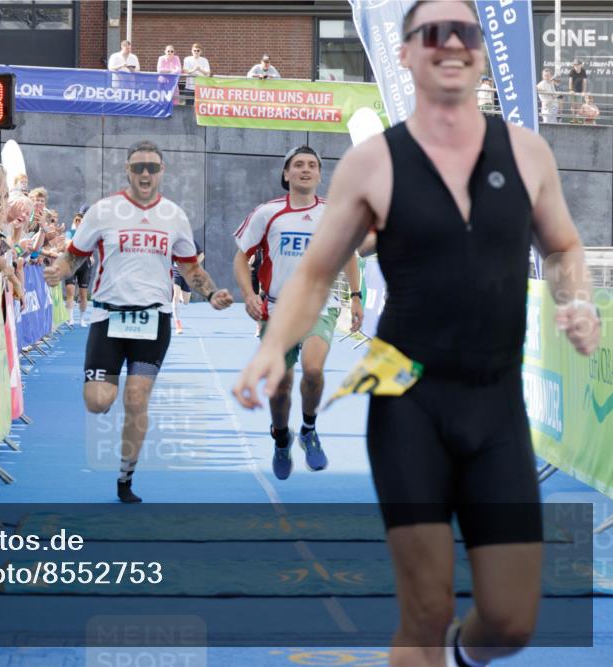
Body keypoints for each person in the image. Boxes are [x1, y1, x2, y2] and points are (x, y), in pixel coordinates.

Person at [233, 3, 601, 666]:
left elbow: (563, 246)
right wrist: (269, 344)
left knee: (512, 622)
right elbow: (316, 273)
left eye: (466, 32)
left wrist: (576, 300)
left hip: (497, 406)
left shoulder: (527, 153)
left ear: (481, 53)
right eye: (433, 33)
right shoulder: (373, 163)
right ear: (405, 54)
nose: (451, 43)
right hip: (408, 400)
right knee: (426, 609)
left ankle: (461, 653)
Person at [44, 140, 234, 503]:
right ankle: (106, 385)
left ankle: (125, 478)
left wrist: (211, 294)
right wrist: (59, 270)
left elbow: (190, 268)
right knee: (98, 401)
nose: (145, 173)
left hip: (153, 318)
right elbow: (75, 255)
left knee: (136, 398)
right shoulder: (104, 211)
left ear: (162, 172)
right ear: (127, 171)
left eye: (152, 167)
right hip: (108, 316)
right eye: (138, 167)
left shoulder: (174, 216)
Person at [233, 145, 362, 479]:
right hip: (277, 310)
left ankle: (308, 429)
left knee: (313, 370)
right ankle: (281, 439)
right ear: (286, 173)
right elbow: (241, 257)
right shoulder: (267, 213)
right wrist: (248, 294)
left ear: (319, 174)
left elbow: (349, 255)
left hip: (321, 305)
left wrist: (356, 296)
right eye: (299, 165)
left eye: (312, 165)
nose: (306, 169)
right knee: (280, 386)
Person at [64, 205, 92, 327]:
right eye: (76, 220)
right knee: (70, 291)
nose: (78, 222)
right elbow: (68, 245)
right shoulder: (69, 233)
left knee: (83, 294)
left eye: (81, 221)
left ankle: (82, 319)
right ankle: (70, 318)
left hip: (84, 264)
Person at [170, 241, 204, 334]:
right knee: (175, 297)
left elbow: (201, 255)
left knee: (185, 301)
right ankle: (178, 324)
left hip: (187, 274)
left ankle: (181, 293)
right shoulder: (173, 241)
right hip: (175, 273)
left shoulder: (190, 241)